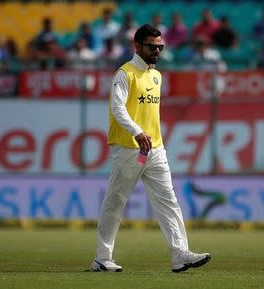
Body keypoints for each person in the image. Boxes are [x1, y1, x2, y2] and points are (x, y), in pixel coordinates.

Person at [91, 24, 211, 273]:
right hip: (128, 148)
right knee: (116, 201)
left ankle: (180, 255)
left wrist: (149, 136)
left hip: (155, 149)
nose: (157, 51)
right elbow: (118, 108)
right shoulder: (125, 74)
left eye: (161, 47)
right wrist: (137, 131)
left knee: (168, 201)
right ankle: (102, 258)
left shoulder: (156, 76)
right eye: (152, 46)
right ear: (137, 46)